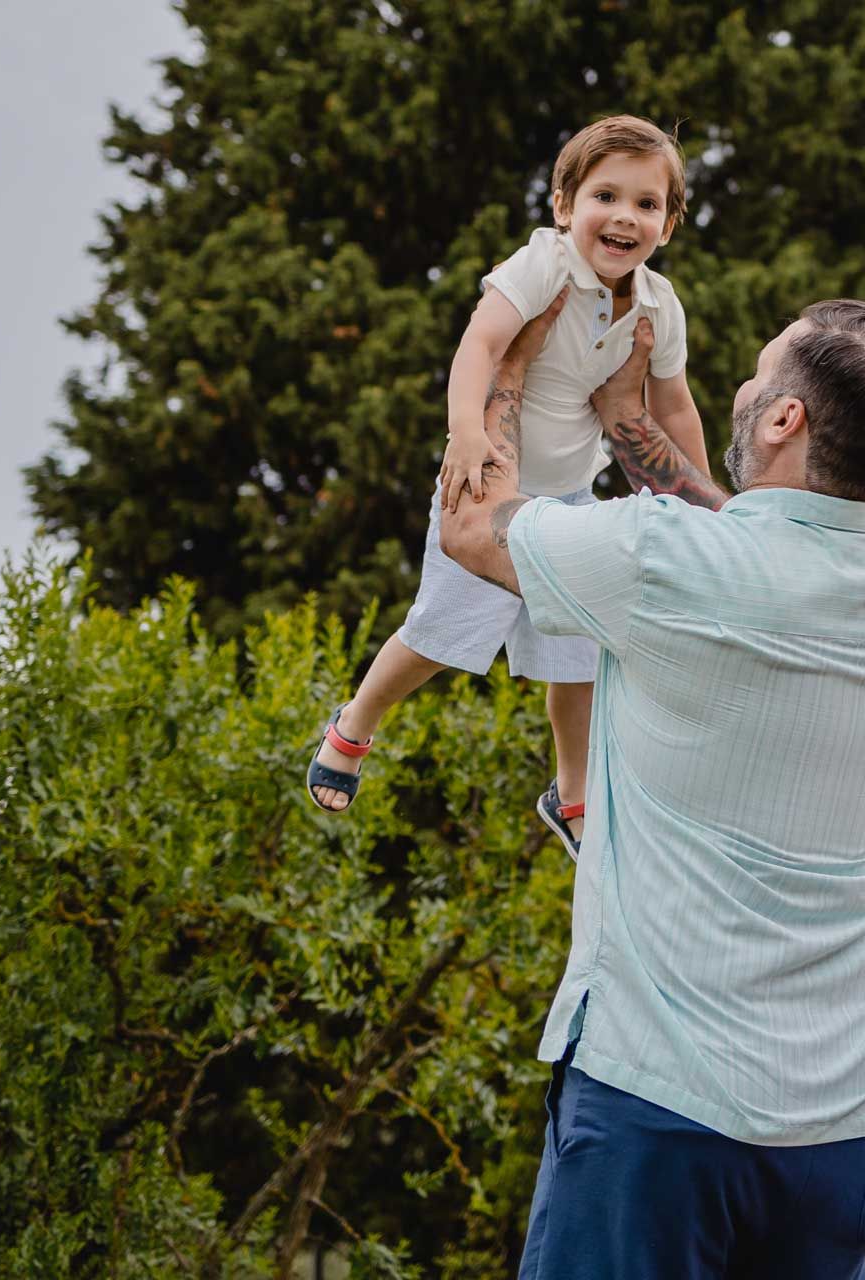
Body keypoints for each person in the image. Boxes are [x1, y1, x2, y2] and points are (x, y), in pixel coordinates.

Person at [441, 291, 865, 1279]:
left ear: (785, 419)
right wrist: (634, 425)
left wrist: (511, 372)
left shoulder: (660, 558)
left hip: (659, 1106)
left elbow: (470, 524)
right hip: (842, 1122)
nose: (744, 388)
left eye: (760, 378)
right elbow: (753, 540)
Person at [305, 115, 707, 865]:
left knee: (582, 660)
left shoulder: (658, 306)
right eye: (605, 195)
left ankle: (572, 794)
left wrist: (698, 496)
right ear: (564, 204)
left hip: (570, 500)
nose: (624, 216)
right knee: (437, 636)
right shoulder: (543, 264)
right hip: (488, 479)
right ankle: (353, 725)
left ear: (669, 224)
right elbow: (480, 344)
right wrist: (465, 433)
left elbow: (674, 404)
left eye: (646, 205)